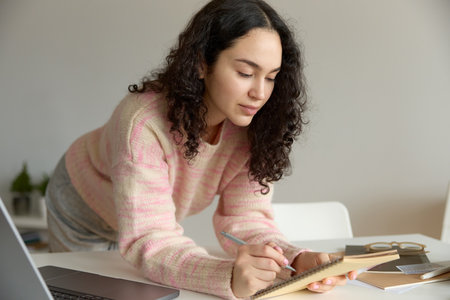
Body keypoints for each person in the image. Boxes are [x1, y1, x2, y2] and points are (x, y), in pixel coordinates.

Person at [45, 0, 357, 298]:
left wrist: (295, 261)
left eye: (271, 78)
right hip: (83, 210)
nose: (259, 93)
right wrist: (227, 276)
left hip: (143, 228)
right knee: (83, 295)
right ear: (200, 64)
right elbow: (149, 238)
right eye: (245, 73)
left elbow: (246, 219)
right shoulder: (143, 123)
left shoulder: (256, 128)